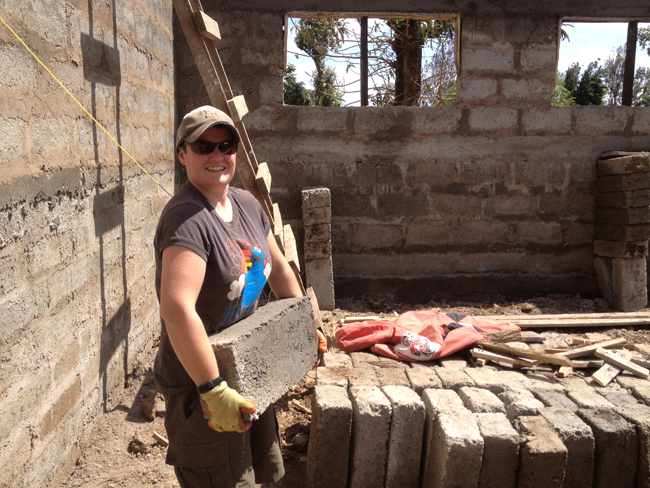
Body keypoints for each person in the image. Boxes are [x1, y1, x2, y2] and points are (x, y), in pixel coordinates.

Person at [153, 105, 302, 487]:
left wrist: (303, 322)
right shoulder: (186, 218)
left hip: (249, 367)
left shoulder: (248, 204)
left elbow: (281, 268)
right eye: (203, 146)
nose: (217, 155)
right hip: (200, 385)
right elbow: (176, 308)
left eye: (226, 144)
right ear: (182, 154)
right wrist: (212, 388)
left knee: (262, 473)